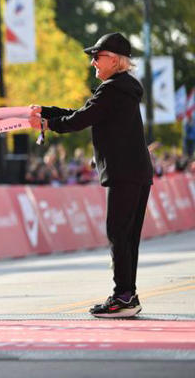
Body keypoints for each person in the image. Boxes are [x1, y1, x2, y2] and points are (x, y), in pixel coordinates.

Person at [28, 32, 152, 319]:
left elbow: (80, 119)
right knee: (127, 235)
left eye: (97, 57)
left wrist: (47, 122)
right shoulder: (121, 88)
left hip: (125, 172)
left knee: (119, 233)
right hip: (135, 171)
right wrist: (46, 111)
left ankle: (124, 296)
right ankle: (127, 294)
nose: (93, 62)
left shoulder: (113, 89)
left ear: (115, 60)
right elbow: (84, 113)